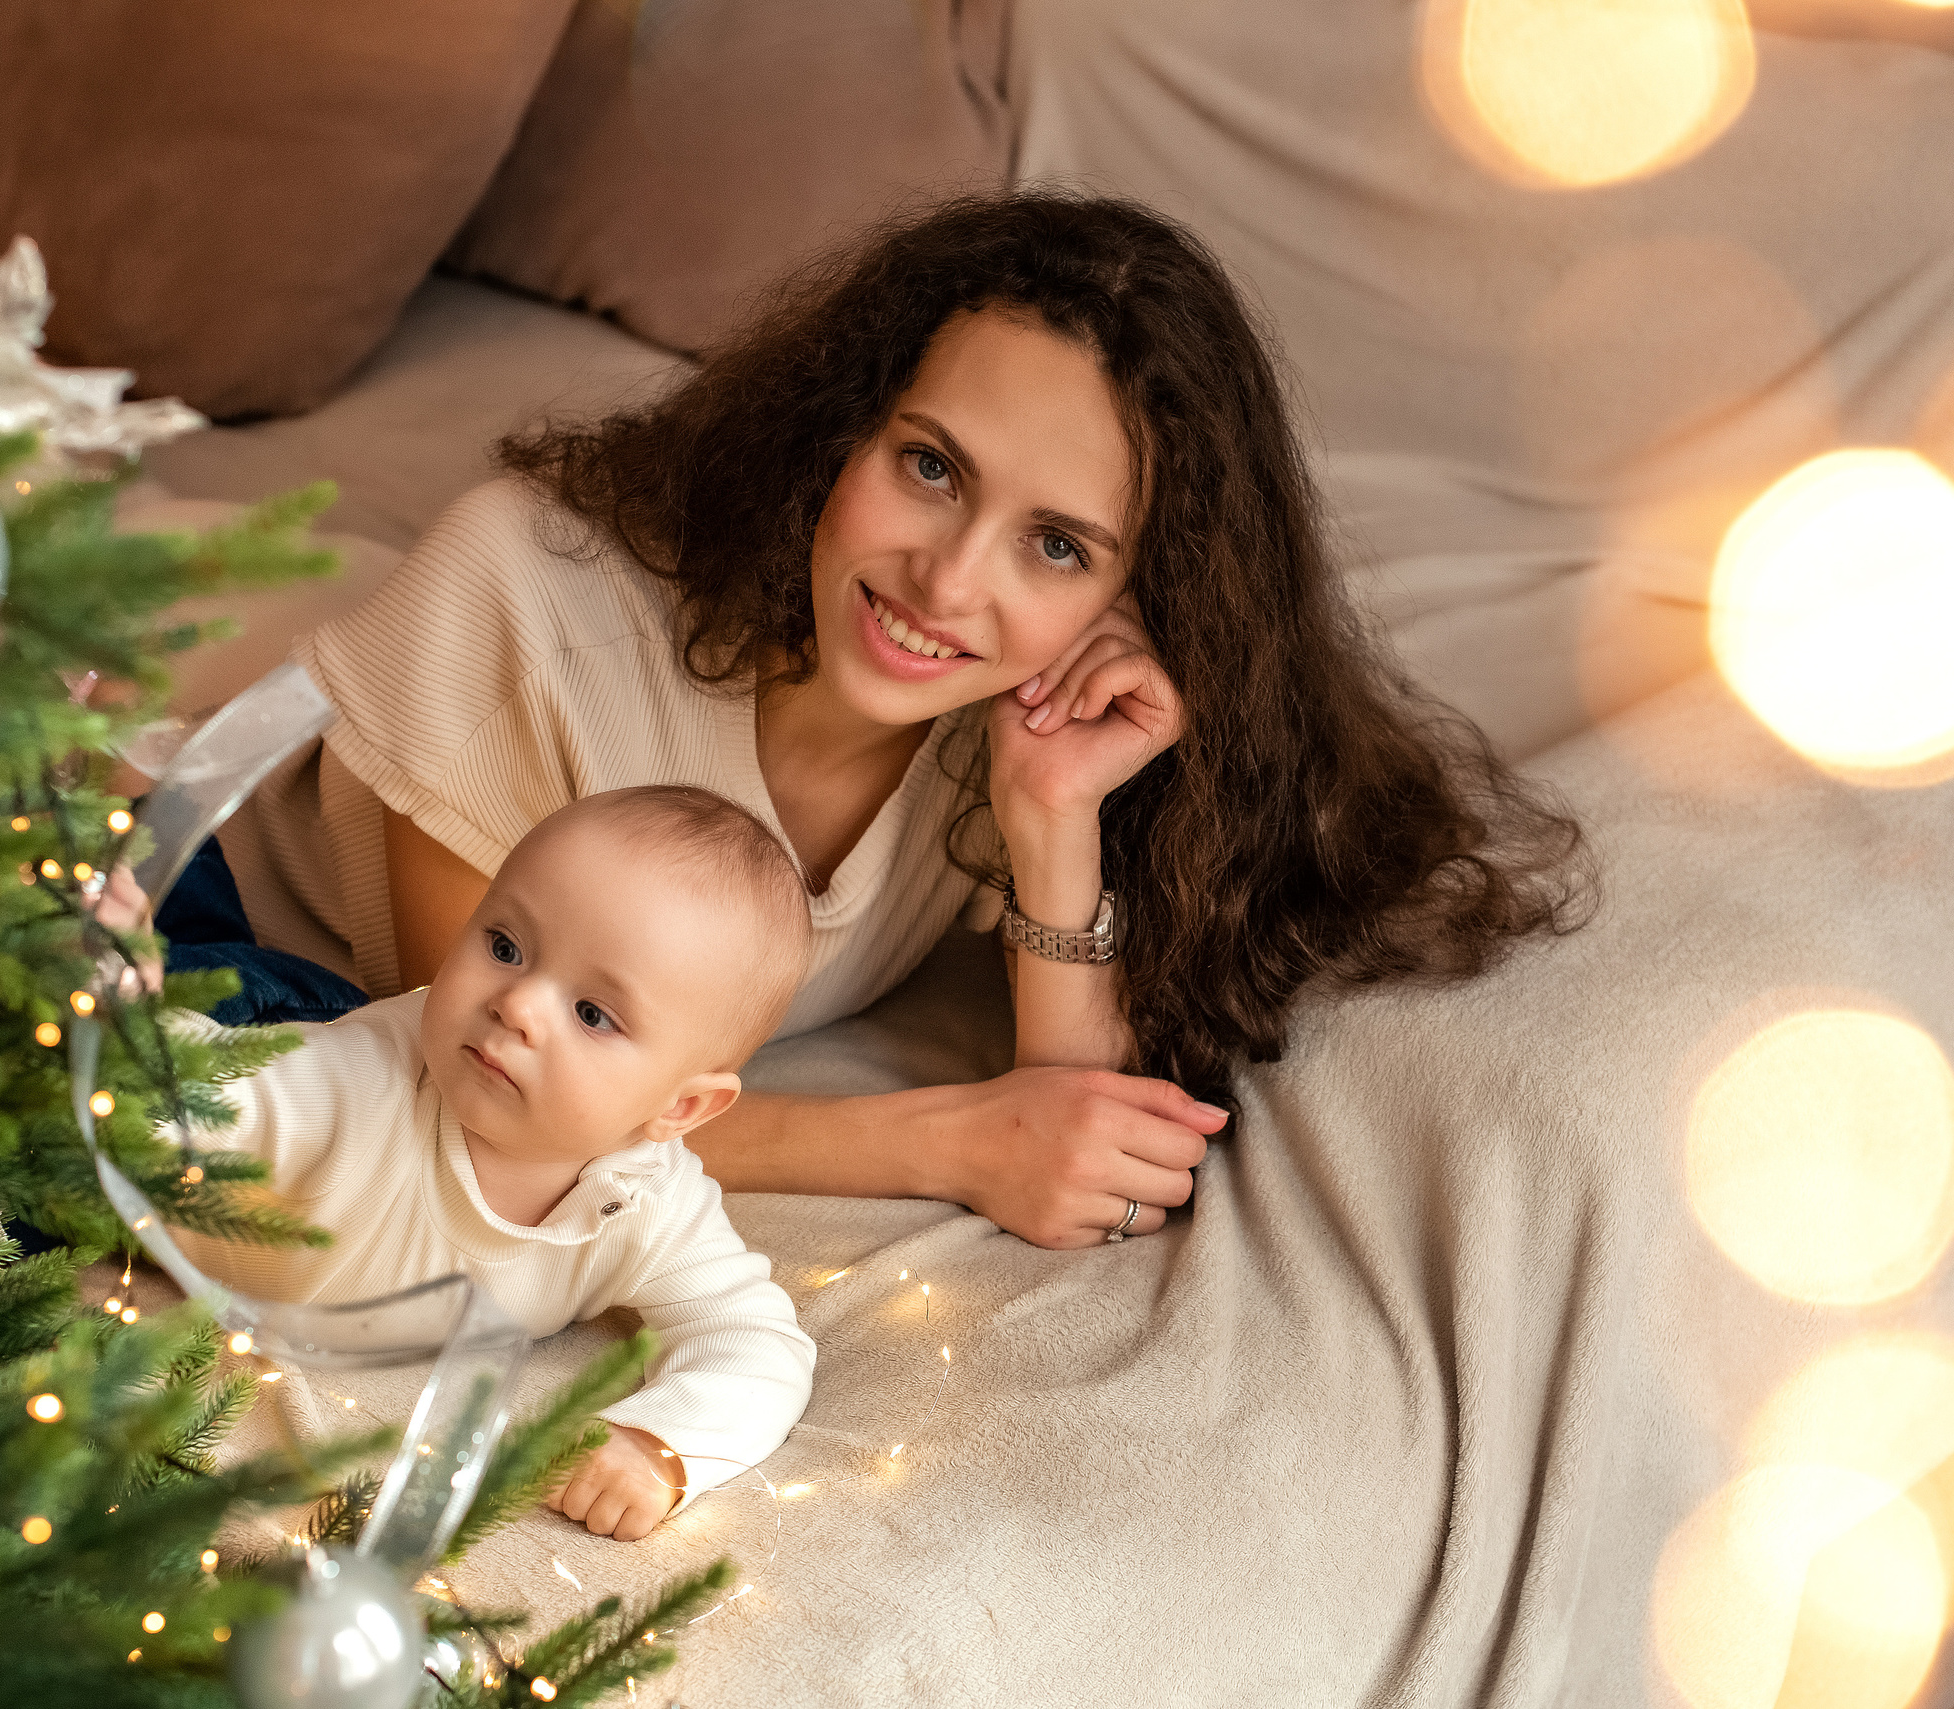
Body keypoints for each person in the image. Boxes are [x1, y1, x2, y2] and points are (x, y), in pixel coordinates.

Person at [179, 192, 1584, 1252]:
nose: (948, 583)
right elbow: (490, 1098)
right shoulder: (524, 593)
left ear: (1134, 598)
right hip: (226, 959)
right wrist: (940, 1143)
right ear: (836, 433)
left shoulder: (1000, 727)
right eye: (929, 467)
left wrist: (1052, 819)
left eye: (1058, 547)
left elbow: (1067, 1116)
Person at [171, 786, 819, 1542]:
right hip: (255, 1029)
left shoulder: (644, 1196)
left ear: (680, 1109)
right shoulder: (348, 1092)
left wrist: (659, 1446)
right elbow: (166, 1091)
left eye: (592, 1013)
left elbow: (755, 1337)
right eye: (505, 946)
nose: (516, 1004)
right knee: (144, 932)